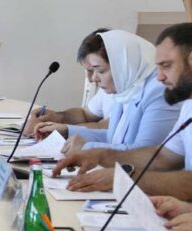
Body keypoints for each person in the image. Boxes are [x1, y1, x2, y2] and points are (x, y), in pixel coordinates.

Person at [53, 23, 192, 202]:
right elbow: (164, 157)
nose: (160, 77)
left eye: (166, 66)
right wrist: (99, 156)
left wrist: (123, 177)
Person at [35, 30, 180, 153]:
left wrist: (86, 147)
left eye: (101, 71)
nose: (93, 79)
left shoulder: (159, 93)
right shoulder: (127, 89)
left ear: (122, 66)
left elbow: (142, 153)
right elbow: (114, 139)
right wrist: (66, 131)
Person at [24, 28, 112, 136]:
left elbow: (105, 128)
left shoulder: (126, 91)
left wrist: (58, 130)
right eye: (88, 71)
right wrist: (57, 117)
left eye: (98, 70)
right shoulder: (107, 89)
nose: (91, 79)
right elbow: (85, 114)